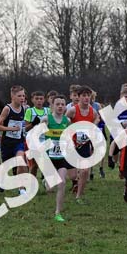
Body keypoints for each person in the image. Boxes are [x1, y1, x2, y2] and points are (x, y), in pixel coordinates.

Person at [65, 85, 100, 203]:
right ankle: (74, 181)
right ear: (78, 97)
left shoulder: (93, 111)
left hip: (85, 144)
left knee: (85, 171)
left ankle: (78, 196)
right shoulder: (73, 110)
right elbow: (64, 121)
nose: (86, 98)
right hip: (72, 145)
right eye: (84, 96)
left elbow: (96, 121)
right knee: (73, 175)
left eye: (88, 96)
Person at [42, 94, 72, 222]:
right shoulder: (46, 119)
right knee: (50, 188)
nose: (60, 106)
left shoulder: (67, 121)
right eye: (57, 104)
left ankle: (58, 212)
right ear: (52, 106)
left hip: (62, 157)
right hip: (49, 157)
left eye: (62, 104)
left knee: (62, 182)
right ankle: (45, 182)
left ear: (65, 106)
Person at [0, 85, 28, 194]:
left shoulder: (25, 108)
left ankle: (21, 188)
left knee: (21, 160)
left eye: (23, 95)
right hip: (7, 142)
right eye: (19, 96)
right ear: (12, 96)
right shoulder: (7, 109)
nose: (22, 98)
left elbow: (24, 125)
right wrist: (11, 128)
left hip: (19, 141)